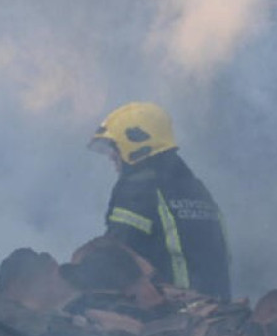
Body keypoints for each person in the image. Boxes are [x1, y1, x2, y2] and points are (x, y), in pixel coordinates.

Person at [77, 102, 231, 301]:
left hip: (172, 308)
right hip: (218, 306)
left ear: (136, 145)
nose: (112, 157)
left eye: (115, 148)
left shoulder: (138, 189)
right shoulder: (196, 188)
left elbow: (116, 254)